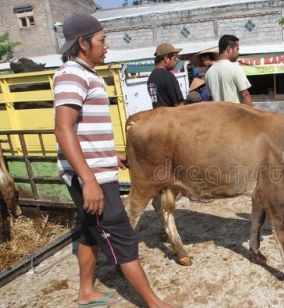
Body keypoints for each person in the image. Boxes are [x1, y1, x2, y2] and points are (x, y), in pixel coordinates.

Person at [53, 13, 170, 308]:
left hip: (94, 171)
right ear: (83, 43)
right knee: (123, 237)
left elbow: (82, 130)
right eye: (102, 40)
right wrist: (89, 179)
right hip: (91, 179)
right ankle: (154, 304)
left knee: (91, 234)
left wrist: (111, 155)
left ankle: (85, 292)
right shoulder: (72, 74)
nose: (107, 46)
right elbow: (62, 128)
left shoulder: (88, 73)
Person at [205, 34, 252, 106]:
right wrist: (250, 116)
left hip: (218, 116)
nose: (238, 53)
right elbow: (245, 96)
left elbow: (210, 99)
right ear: (229, 49)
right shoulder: (235, 68)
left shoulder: (208, 73)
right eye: (237, 49)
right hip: (235, 116)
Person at [147, 42, 184, 108]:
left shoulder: (151, 78)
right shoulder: (168, 76)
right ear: (166, 58)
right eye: (174, 59)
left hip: (158, 116)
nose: (176, 62)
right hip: (170, 117)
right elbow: (179, 106)